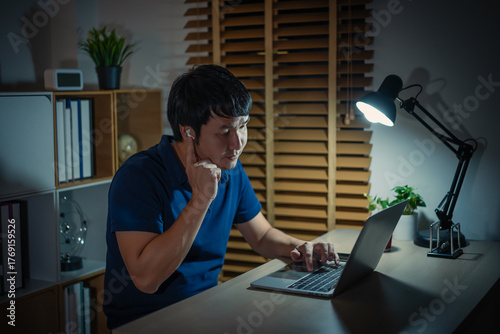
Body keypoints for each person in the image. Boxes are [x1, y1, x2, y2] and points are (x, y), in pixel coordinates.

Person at [103, 64, 339, 329]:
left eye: (243, 126)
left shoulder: (229, 167)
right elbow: (146, 280)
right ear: (188, 132)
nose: (237, 143)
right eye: (224, 131)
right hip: (145, 322)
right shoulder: (138, 176)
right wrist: (200, 200)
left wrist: (301, 248)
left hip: (206, 311)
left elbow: (261, 237)